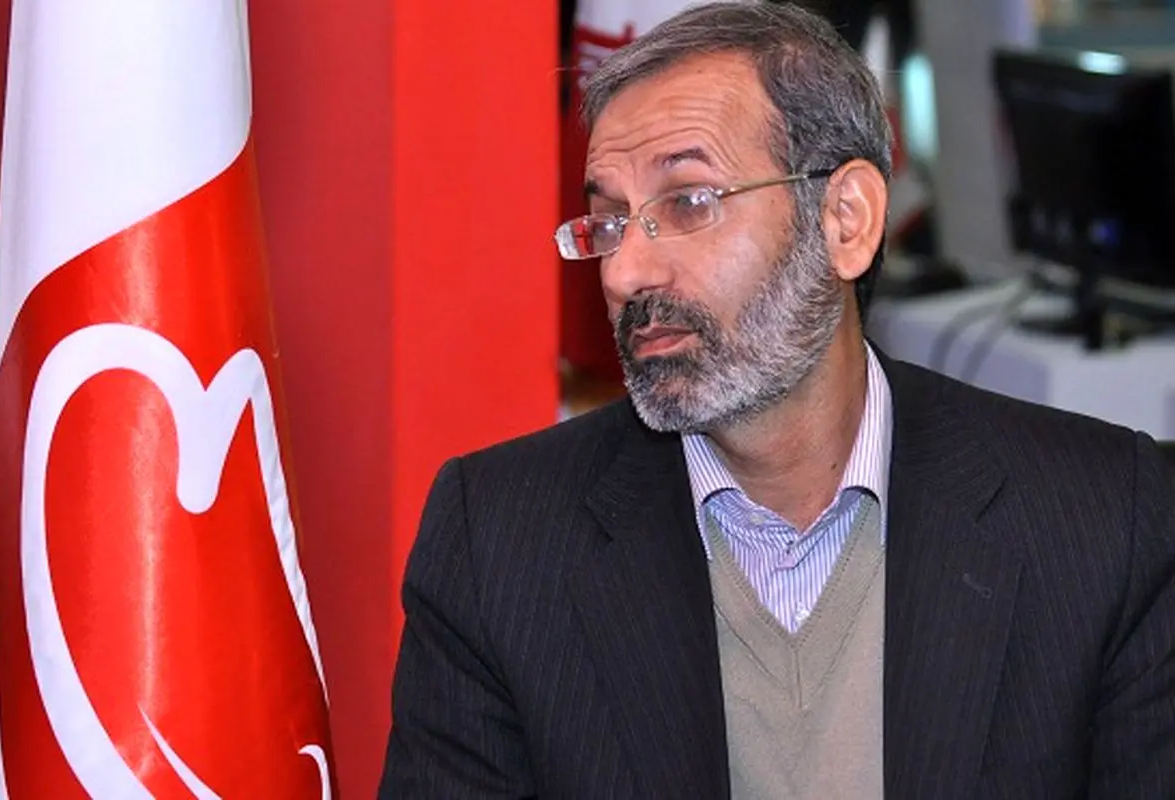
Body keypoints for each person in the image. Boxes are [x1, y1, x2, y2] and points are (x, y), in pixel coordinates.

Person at [378, 3, 1175, 797]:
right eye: (610, 221)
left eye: (688, 202)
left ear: (845, 220)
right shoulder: (499, 543)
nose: (624, 273)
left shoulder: (1103, 520)